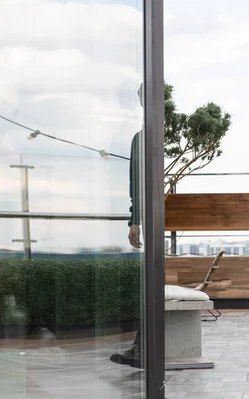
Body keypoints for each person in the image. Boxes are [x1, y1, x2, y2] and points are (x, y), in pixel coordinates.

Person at [110, 83, 144, 369]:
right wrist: (135, 220)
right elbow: (137, 181)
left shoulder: (163, 136)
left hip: (168, 217)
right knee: (149, 286)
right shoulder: (140, 138)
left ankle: (142, 348)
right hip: (152, 221)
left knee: (153, 287)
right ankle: (140, 348)